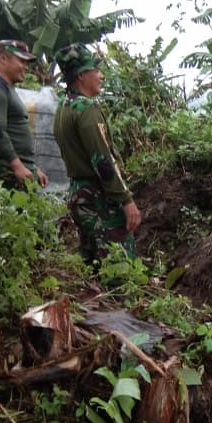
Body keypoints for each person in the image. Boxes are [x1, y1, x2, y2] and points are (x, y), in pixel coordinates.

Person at [53, 43, 141, 265]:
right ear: (82, 75)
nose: (101, 76)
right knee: (120, 269)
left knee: (93, 266)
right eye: (96, 71)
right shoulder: (86, 110)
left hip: (79, 196)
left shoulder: (64, 107)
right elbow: (102, 161)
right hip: (99, 200)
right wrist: (126, 200)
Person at [0, 39, 50, 190]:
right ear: (3, 58)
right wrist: (17, 166)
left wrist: (32, 167)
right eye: (21, 61)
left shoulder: (6, 88)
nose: (26, 67)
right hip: (7, 172)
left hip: (17, 170)